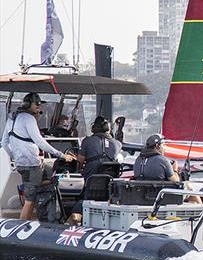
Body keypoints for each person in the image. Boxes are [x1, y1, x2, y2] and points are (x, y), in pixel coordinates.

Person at [1, 92, 75, 220]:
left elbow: (4, 143)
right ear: (28, 104)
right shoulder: (28, 118)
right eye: (37, 104)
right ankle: (22, 228)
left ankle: (46, 217)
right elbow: (40, 141)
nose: (39, 108)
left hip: (22, 163)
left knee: (47, 181)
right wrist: (61, 155)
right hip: (31, 164)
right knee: (30, 200)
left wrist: (14, 156)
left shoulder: (12, 118)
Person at [133, 134, 201, 204]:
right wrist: (174, 169)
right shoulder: (163, 160)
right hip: (163, 197)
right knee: (189, 187)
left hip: (143, 197)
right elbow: (176, 181)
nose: (164, 148)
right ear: (157, 146)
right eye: (163, 145)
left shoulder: (137, 160)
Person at [78, 116, 123, 181]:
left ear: (93, 128)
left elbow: (80, 162)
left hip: (90, 181)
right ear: (108, 129)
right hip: (110, 184)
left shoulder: (87, 141)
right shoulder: (118, 144)